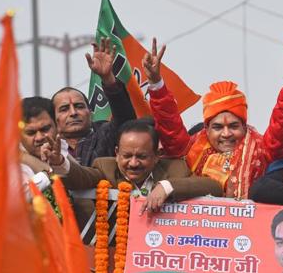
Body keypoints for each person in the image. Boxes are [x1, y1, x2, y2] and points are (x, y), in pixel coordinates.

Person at [144, 36, 283, 198]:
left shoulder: (263, 151)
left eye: (233, 126)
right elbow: (168, 123)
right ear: (206, 129)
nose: (226, 134)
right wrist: (156, 82)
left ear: (244, 127)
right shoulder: (191, 149)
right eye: (217, 127)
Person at [46, 119, 223, 213]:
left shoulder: (175, 169)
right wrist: (59, 163)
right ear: (116, 153)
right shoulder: (105, 167)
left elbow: (213, 187)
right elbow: (82, 177)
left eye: (142, 156)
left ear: (156, 156)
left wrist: (167, 187)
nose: (133, 163)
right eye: (127, 156)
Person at [51, 37, 137, 167]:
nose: (73, 113)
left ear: (90, 112)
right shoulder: (47, 146)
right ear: (53, 118)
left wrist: (108, 78)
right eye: (64, 109)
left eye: (79, 106)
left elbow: (125, 120)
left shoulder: (104, 135)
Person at [19, 96, 67, 192]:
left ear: (57, 125)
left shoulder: (67, 148)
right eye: (30, 133)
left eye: (45, 129)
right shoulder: (10, 167)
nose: (39, 138)